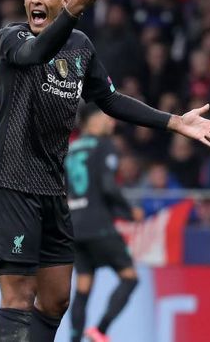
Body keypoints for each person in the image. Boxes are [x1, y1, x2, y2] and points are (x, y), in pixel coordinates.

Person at [0, 0, 210, 342]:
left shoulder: (81, 47)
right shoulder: (12, 38)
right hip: (11, 185)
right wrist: (71, 13)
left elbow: (111, 101)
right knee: (19, 295)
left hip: (51, 189)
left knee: (56, 299)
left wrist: (174, 121)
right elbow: (37, 54)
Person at [65, 104, 143, 342]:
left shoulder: (71, 149)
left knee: (83, 285)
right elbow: (108, 186)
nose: (112, 123)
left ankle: (75, 339)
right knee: (130, 277)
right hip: (98, 225)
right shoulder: (104, 146)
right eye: (107, 118)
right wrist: (129, 211)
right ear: (91, 121)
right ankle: (100, 330)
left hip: (74, 226)